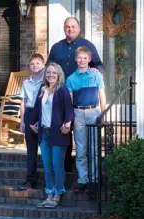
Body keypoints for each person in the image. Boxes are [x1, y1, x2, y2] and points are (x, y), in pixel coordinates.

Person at [47, 17, 104, 172]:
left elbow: (99, 65)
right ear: (64, 28)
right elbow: (48, 68)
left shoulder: (87, 46)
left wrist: (95, 70)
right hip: (60, 96)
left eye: (73, 27)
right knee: (63, 131)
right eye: (67, 27)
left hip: (81, 101)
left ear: (78, 28)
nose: (70, 29)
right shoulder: (56, 47)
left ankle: (90, 174)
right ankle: (65, 169)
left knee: (84, 140)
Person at [30, 62, 74, 208]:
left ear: (59, 74)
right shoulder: (43, 89)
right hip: (44, 133)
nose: (50, 75)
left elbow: (69, 109)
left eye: (53, 73)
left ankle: (57, 194)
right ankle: (49, 194)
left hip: (58, 133)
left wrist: (67, 123)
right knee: (47, 166)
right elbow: (37, 109)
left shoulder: (62, 89)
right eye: (48, 72)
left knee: (57, 165)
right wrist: (33, 122)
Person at [66, 46, 106, 193]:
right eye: (80, 58)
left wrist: (103, 114)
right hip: (78, 113)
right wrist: (70, 119)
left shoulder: (96, 75)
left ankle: (94, 179)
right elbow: (69, 102)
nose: (82, 60)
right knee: (81, 149)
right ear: (76, 59)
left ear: (89, 59)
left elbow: (102, 96)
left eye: (85, 58)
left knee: (94, 149)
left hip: (93, 112)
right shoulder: (70, 78)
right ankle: (83, 179)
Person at [16, 53, 45, 191]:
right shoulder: (26, 82)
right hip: (29, 114)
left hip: (42, 114)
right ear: (30, 66)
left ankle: (48, 181)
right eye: (32, 64)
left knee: (45, 149)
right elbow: (23, 102)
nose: (35, 66)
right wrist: (22, 121)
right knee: (31, 151)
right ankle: (30, 180)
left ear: (43, 65)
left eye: (38, 63)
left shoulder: (47, 81)